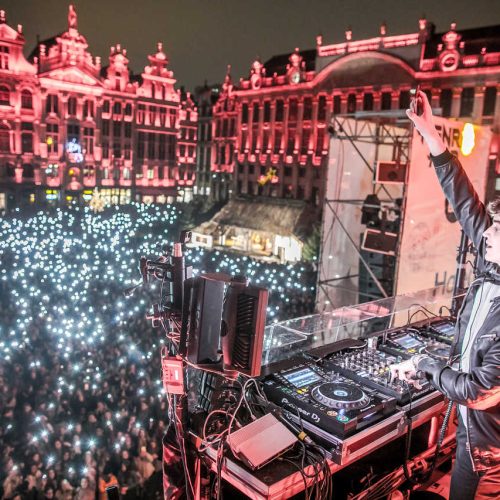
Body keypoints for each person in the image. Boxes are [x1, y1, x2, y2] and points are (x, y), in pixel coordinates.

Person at [390, 90, 500, 499]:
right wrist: (429, 132)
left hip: (487, 454)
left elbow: (478, 391)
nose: (488, 232)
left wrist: (427, 367)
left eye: (497, 227)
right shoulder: (493, 262)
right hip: (476, 439)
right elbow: (463, 197)